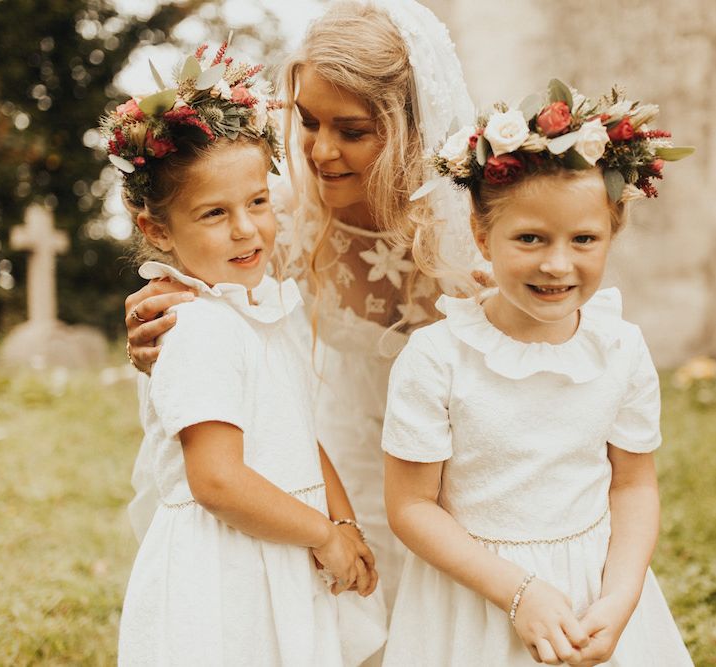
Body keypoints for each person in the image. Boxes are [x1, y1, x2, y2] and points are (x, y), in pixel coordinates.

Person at [123, 0, 486, 607]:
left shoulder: (476, 225)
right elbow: (208, 303)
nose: (319, 152)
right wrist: (151, 325)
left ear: (409, 127)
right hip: (341, 461)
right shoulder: (274, 219)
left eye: (352, 131)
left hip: (462, 467)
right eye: (309, 121)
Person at [382, 81, 695, 665]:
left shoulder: (620, 347)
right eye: (530, 238)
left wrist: (621, 597)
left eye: (583, 240)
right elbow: (410, 506)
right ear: (482, 237)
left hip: (591, 591)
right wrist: (517, 592)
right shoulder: (436, 357)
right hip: (477, 598)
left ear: (611, 235)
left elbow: (632, 483)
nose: (557, 264)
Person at [103, 44, 386, 665]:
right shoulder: (196, 327)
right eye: (214, 214)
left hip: (277, 548)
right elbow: (217, 481)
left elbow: (298, 432)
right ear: (157, 231)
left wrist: (344, 523)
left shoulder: (259, 310)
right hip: (228, 569)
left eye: (258, 202)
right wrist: (321, 534)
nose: (246, 229)